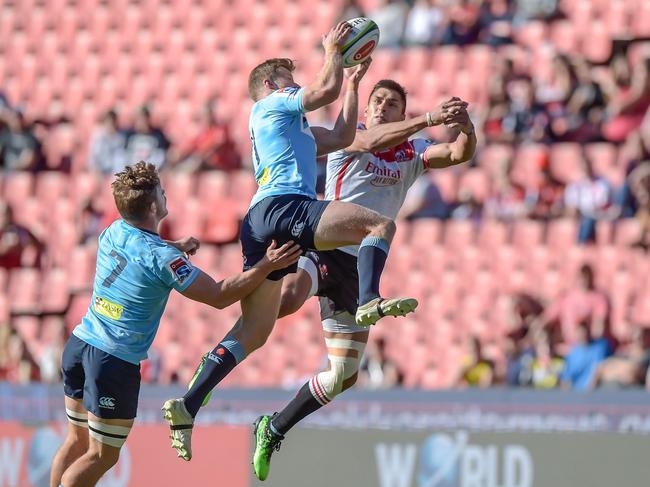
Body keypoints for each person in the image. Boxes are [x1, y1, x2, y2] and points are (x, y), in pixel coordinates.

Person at [162, 22, 427, 462]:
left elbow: (343, 137)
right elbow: (322, 90)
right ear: (270, 84)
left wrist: (354, 84)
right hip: (286, 207)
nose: (296, 84)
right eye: (289, 78)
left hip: (263, 222)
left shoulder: (296, 129)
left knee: (256, 330)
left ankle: (188, 405)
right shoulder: (272, 104)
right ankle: (368, 297)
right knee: (378, 225)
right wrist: (334, 53)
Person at [251, 79, 476, 479]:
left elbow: (458, 152)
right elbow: (372, 142)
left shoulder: (413, 152)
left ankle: (274, 427)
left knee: (343, 376)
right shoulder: (350, 135)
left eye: (392, 104)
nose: (382, 107)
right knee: (286, 300)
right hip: (325, 243)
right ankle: (242, 310)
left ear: (401, 114)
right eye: (377, 101)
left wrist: (466, 126)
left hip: (360, 265)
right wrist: (428, 119)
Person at [50, 161, 301, 487]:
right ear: (154, 205)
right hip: (112, 360)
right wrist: (266, 266)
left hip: (80, 345)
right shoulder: (162, 259)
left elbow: (141, 251)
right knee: (102, 455)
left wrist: (175, 247)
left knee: (75, 441)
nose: (167, 195)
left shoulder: (113, 230)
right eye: (162, 192)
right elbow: (220, 295)